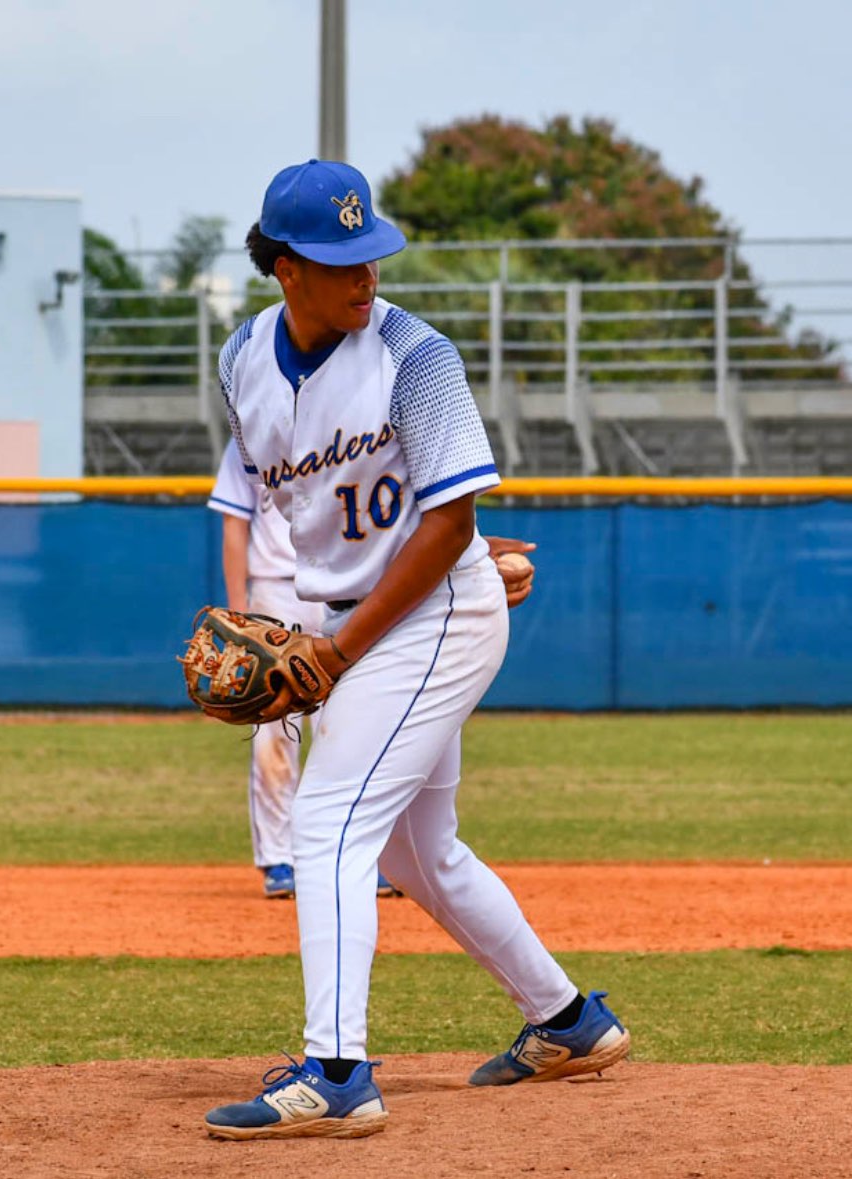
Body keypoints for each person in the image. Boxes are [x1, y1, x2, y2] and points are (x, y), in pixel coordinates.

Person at [204, 159, 629, 1141]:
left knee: (328, 821)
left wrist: (345, 647)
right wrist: (284, 626)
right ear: (282, 269)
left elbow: (444, 523)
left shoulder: (415, 354)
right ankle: (568, 1020)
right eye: (338, 261)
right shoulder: (242, 360)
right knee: (418, 849)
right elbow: (301, 505)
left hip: (432, 615)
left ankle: (338, 1074)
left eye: (372, 256)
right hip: (354, 621)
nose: (366, 276)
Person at [207, 439, 401, 900]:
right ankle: (279, 858)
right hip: (276, 593)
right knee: (273, 732)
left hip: (348, 589)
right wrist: (239, 615)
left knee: (353, 730)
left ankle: (356, 855)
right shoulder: (249, 434)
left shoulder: (353, 431)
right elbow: (236, 525)